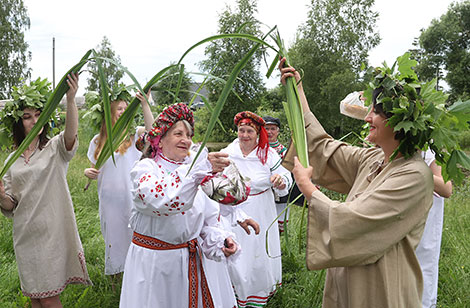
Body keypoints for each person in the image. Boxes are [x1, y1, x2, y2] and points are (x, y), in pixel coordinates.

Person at [279, 57, 435, 307]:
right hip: (348, 283)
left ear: (397, 121)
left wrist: (308, 189)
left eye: (375, 111)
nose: (367, 118)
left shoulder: (414, 176)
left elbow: (356, 219)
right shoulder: (373, 159)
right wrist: (297, 89)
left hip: (383, 290)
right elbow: (323, 147)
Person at [119, 102, 240, 308]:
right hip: (155, 266)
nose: (186, 140)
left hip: (190, 262)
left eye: (189, 135)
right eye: (178, 134)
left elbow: (208, 219)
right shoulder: (145, 168)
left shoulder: (195, 171)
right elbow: (160, 200)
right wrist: (197, 171)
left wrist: (220, 240)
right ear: (160, 138)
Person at [0, 73, 92, 308]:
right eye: (27, 117)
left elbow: (71, 134)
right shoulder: (12, 160)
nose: (33, 121)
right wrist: (1, 195)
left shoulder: (54, 149)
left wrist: (71, 100)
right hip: (25, 235)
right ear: (19, 123)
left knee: (50, 300)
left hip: (52, 233)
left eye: (38, 115)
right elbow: (11, 204)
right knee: (34, 298)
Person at [219, 111, 292, 307]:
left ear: (258, 133)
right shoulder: (229, 151)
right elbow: (217, 176)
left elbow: (286, 177)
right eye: (241, 130)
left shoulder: (268, 154)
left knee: (257, 249)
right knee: (235, 248)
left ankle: (257, 290)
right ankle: (233, 289)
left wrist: (280, 181)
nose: (244, 135)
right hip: (233, 208)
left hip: (260, 208)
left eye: (249, 131)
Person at [84, 90, 154, 285]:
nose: (123, 111)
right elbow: (93, 169)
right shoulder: (98, 142)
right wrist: (87, 174)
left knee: (135, 238)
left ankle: (137, 283)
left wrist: (145, 105)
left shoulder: (134, 138)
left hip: (132, 200)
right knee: (114, 240)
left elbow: (153, 131)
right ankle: (116, 285)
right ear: (109, 112)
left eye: (126, 108)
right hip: (110, 202)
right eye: (119, 108)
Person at [416, 149, 453, 308]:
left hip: (426, 222)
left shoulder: (429, 149)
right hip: (403, 218)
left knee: (422, 269)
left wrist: (413, 173)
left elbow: (446, 189)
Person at [263, 116, 290, 233]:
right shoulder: (256, 150)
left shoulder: (285, 152)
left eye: (273, 129)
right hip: (263, 190)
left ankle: (277, 247)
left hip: (280, 192)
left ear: (278, 131)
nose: (269, 132)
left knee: (279, 225)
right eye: (266, 128)